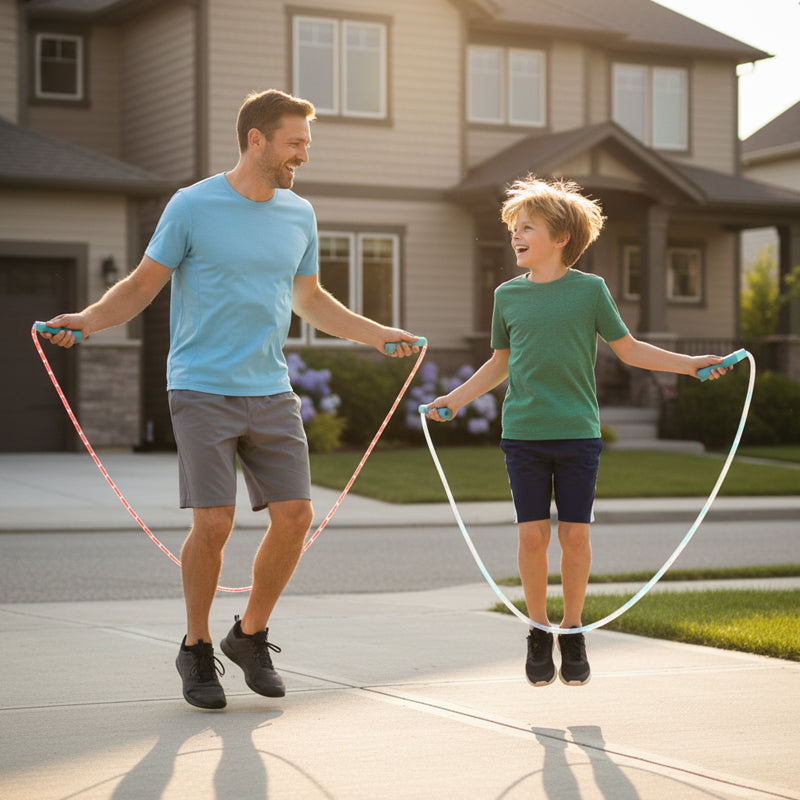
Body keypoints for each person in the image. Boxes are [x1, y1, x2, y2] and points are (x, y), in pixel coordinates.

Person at [40, 89, 422, 710]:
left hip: (270, 388)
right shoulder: (192, 206)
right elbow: (142, 285)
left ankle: (248, 635)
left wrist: (378, 335)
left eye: (306, 143)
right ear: (256, 140)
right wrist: (87, 319)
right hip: (200, 386)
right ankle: (195, 649)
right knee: (213, 522)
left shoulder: (299, 213)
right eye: (295, 142)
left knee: (295, 516)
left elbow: (311, 300)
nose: (303, 153)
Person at [423, 175, 731, 688]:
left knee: (575, 535)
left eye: (527, 228)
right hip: (522, 434)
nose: (515, 236)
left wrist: (690, 364)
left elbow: (629, 349)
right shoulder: (507, 296)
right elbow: (499, 362)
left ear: (561, 237)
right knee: (531, 534)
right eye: (513, 229)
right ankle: (538, 629)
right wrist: (454, 399)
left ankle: (573, 628)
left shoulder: (590, 291)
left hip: (578, 435)